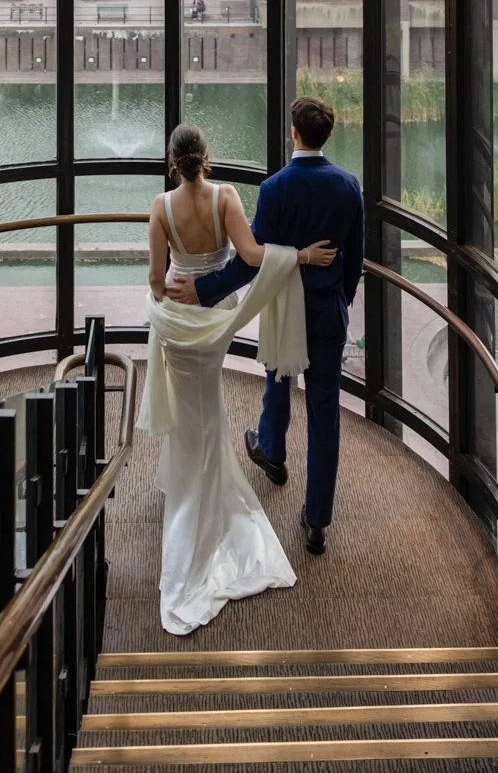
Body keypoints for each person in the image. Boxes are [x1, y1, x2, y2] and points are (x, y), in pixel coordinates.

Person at [140, 122, 337, 634]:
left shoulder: (160, 208)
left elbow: (158, 283)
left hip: (179, 322)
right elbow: (252, 258)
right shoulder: (225, 197)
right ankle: (204, 486)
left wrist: (172, 300)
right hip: (216, 320)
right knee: (210, 402)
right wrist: (303, 257)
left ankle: (184, 484)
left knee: (190, 405)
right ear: (207, 157)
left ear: (172, 161)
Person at [166, 96, 364, 557]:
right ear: (326, 136)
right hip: (328, 310)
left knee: (278, 370)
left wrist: (204, 289)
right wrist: (340, 298)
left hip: (285, 306)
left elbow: (251, 262)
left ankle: (273, 451)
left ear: (293, 133)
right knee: (324, 409)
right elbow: (354, 258)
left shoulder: (275, 189)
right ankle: (317, 521)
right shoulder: (347, 186)